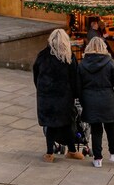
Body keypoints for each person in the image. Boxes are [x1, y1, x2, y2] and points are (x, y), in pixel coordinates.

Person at [78, 37, 114, 168]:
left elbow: (78, 85)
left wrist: (80, 99)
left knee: (96, 129)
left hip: (90, 100)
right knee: (110, 126)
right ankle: (113, 153)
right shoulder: (109, 62)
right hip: (107, 99)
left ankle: (97, 158)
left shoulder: (82, 64)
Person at [33, 29, 83, 162]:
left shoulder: (42, 55)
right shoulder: (68, 57)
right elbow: (75, 78)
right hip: (64, 97)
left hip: (46, 97)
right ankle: (72, 150)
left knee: (51, 124)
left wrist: (41, 89)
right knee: (67, 123)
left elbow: (36, 75)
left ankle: (50, 153)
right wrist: (77, 94)